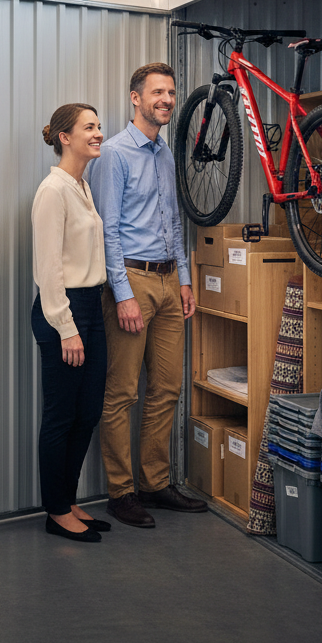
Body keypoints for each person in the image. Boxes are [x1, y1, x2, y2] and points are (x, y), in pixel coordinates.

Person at [87, 62, 207, 528]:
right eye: (158, 92)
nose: (167, 100)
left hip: (169, 281)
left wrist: (184, 279)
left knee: (167, 388)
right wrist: (122, 294)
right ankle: (121, 492)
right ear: (135, 98)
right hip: (132, 281)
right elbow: (108, 230)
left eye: (171, 92)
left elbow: (173, 220)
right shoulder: (114, 154)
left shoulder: (165, 154)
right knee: (121, 393)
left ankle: (155, 483)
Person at [31, 104, 110, 544]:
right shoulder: (53, 190)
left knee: (88, 411)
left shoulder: (82, 186)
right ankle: (56, 510)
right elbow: (49, 270)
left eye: (99, 127)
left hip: (91, 307)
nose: (98, 133)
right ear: (65, 137)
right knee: (61, 416)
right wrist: (66, 327)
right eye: (89, 127)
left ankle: (69, 498)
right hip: (63, 310)